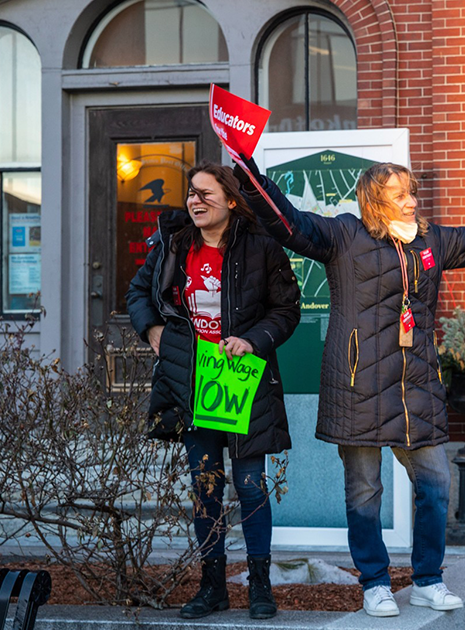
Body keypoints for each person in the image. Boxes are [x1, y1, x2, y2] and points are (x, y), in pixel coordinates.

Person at [234, 155, 465, 618]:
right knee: (365, 493)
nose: (411, 202)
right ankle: (375, 584)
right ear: (375, 201)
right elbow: (289, 223)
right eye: (400, 195)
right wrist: (253, 181)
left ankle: (428, 579)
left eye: (412, 192)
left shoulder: (431, 241)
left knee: (436, 483)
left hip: (416, 387)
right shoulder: (344, 235)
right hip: (359, 387)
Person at [126, 163, 301, 620]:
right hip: (191, 382)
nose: (194, 201)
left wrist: (253, 340)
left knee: (250, 486)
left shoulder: (262, 246)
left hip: (243, 382)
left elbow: (287, 310)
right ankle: (212, 587)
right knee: (206, 489)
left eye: (205, 193)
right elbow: (138, 292)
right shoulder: (174, 244)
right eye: (191, 193)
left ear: (231, 200)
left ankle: (259, 587)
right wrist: (151, 329)